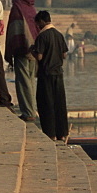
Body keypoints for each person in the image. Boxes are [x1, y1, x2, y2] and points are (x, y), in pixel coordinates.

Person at [31, 10, 69, 142]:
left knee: (46, 104)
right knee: (59, 104)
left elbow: (39, 56)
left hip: (46, 74)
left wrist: (32, 51)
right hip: (58, 74)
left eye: (38, 24)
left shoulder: (42, 36)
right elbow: (64, 54)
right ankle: (62, 134)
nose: (37, 26)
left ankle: (50, 134)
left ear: (41, 21)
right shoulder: (59, 35)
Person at [6, 0, 38, 122]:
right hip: (33, 48)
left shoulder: (18, 6)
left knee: (24, 81)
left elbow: (15, 29)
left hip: (23, 49)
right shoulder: (31, 6)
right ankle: (31, 109)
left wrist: (12, 50)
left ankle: (28, 112)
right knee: (30, 80)